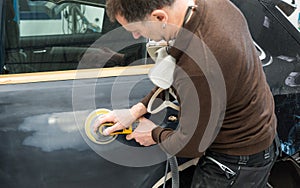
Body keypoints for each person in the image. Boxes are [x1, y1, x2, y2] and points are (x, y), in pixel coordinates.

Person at [94, 0, 280, 187]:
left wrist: (153, 134)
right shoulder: (207, 5)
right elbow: (172, 72)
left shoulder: (199, 66)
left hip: (236, 159)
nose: (135, 36)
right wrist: (137, 110)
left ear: (159, 17)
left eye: (136, 29)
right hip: (260, 136)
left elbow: (190, 144)